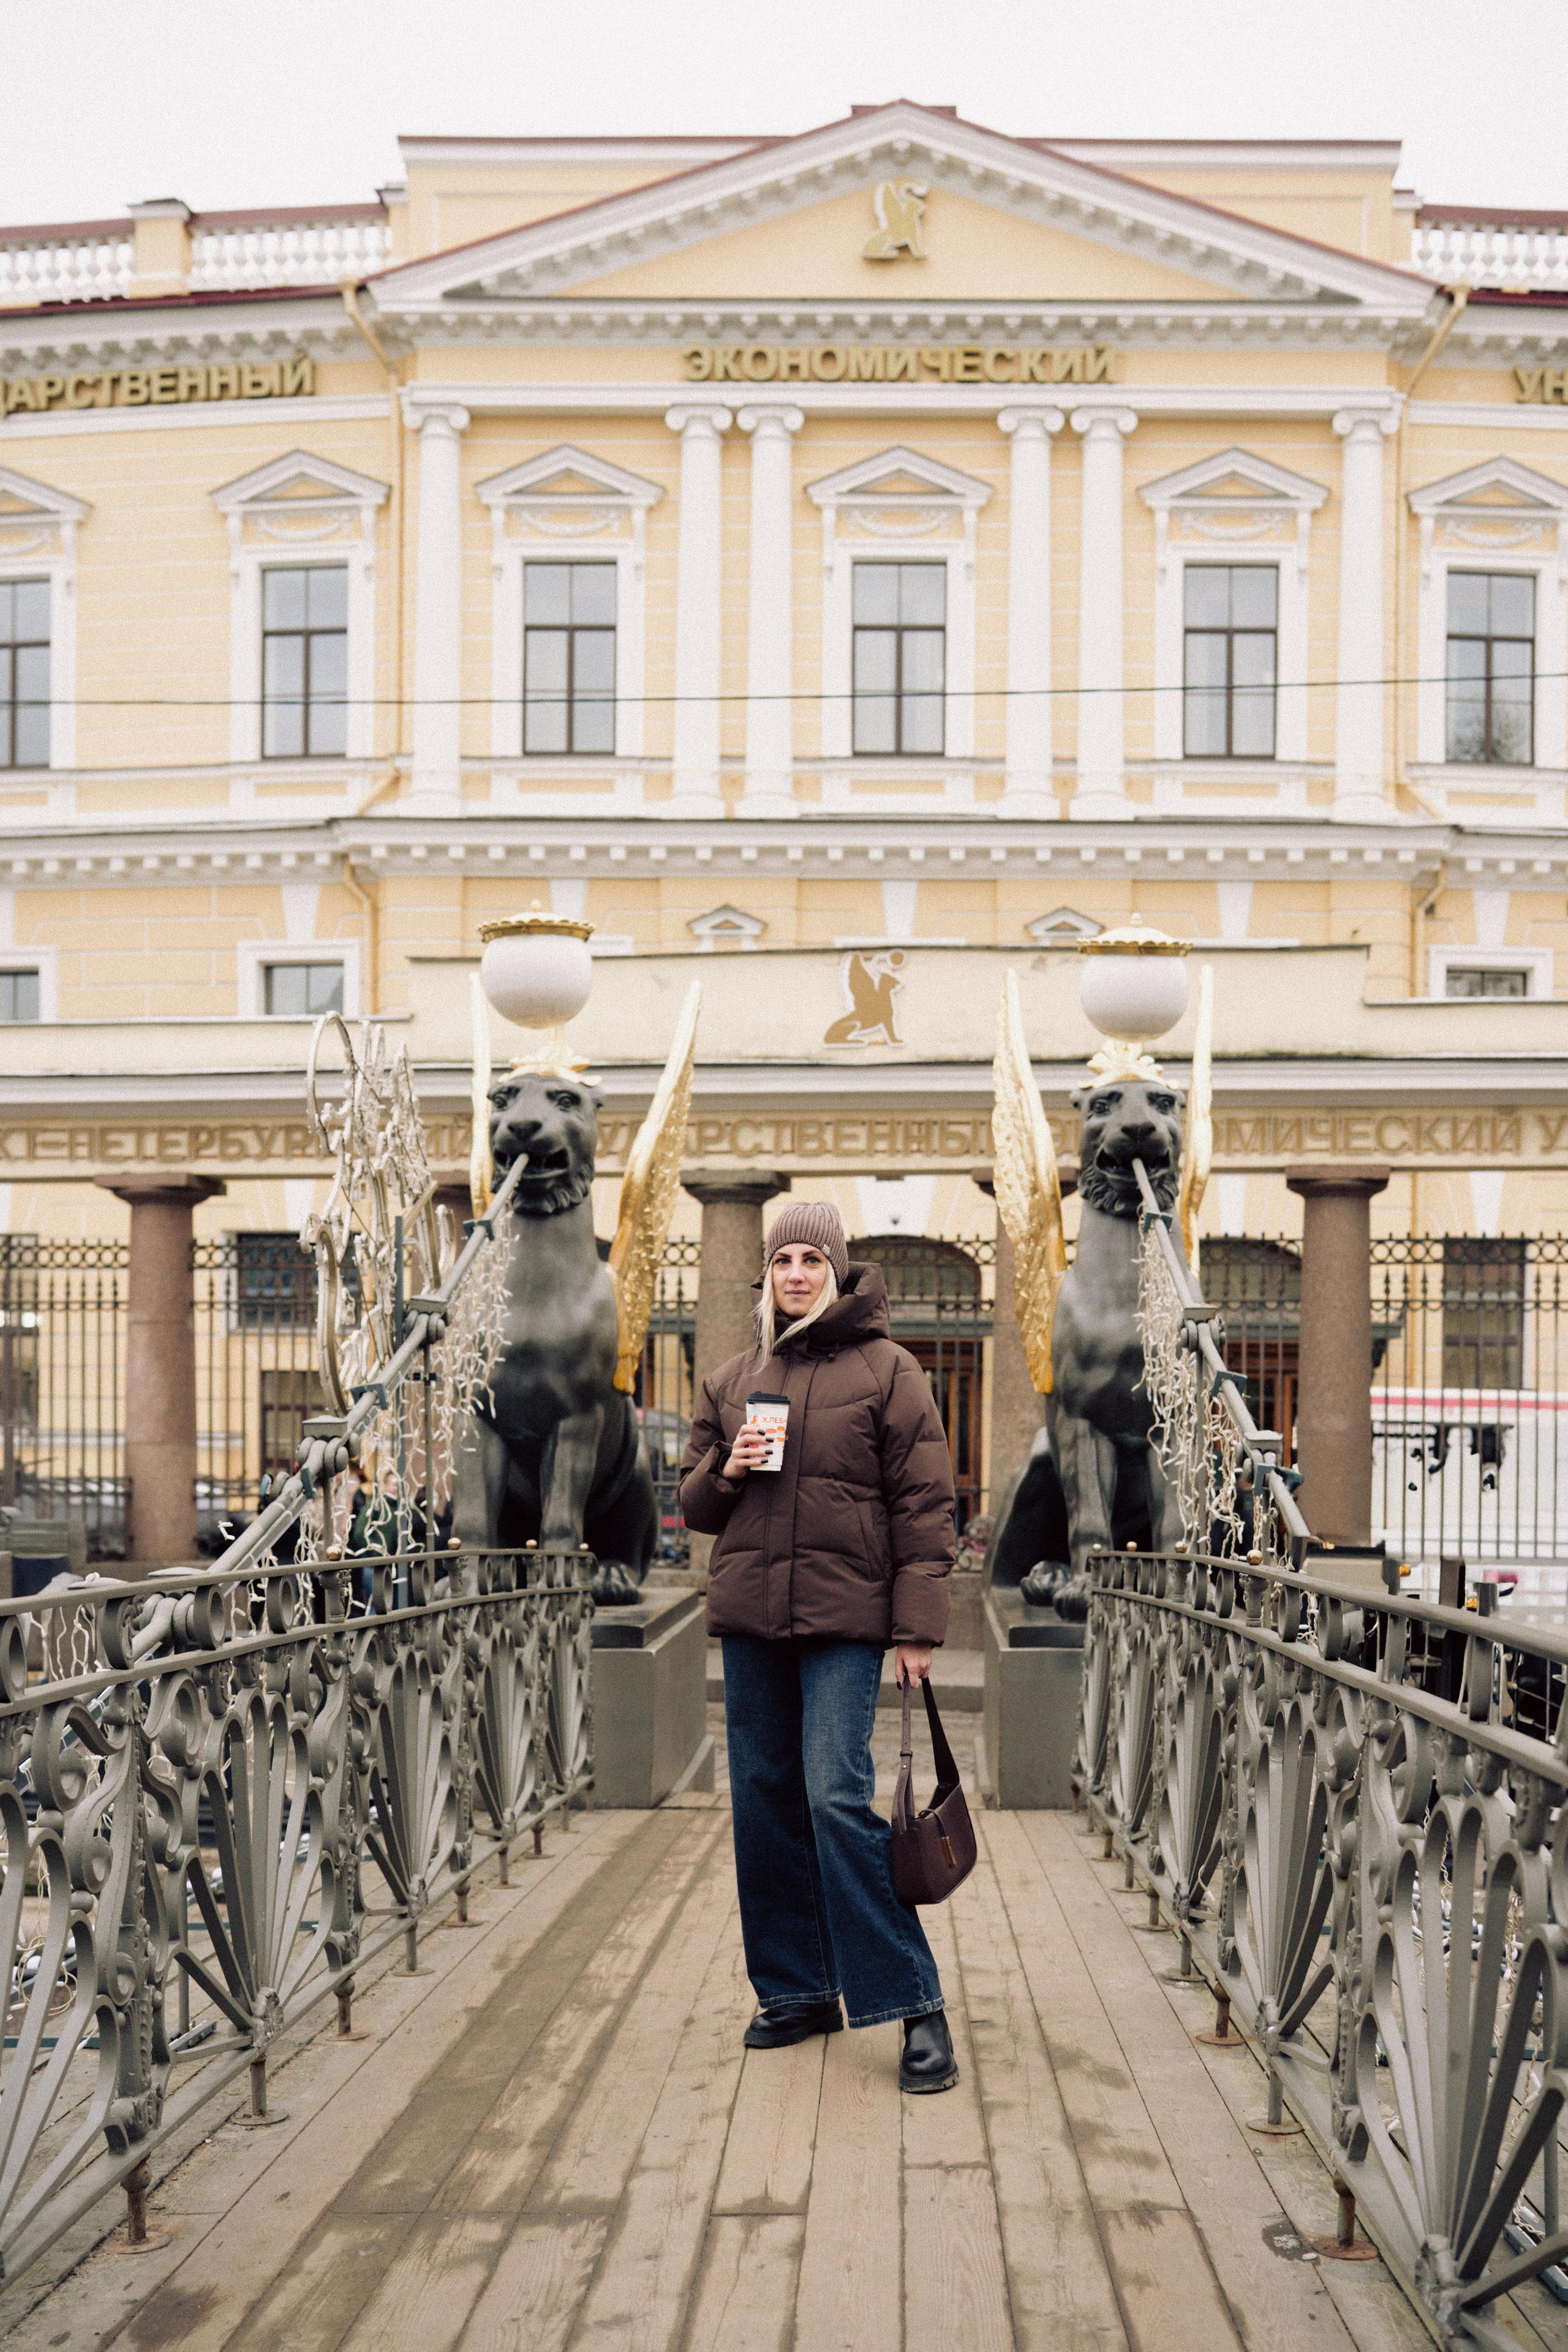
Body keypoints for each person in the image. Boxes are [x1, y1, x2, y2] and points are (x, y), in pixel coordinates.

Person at [679, 1200, 959, 2095]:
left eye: (812, 1258)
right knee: (762, 1802)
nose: (796, 1273)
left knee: (835, 1798)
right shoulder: (731, 1379)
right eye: (782, 1260)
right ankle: (798, 1991)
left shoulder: (889, 1370)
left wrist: (916, 1625)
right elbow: (694, 1509)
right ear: (765, 1274)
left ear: (836, 1270)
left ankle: (916, 2002)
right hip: (754, 1617)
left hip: (846, 1620)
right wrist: (728, 1470)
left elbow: (924, 1503)